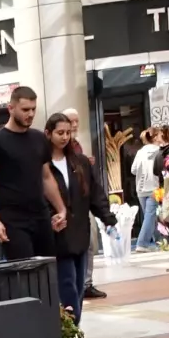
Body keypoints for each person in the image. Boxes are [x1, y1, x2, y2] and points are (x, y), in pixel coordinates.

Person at [43, 113, 116, 325]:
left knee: (78, 283)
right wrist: (50, 218)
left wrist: (107, 218)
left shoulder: (80, 162)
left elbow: (94, 193)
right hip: (57, 236)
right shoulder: (42, 165)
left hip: (79, 232)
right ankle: (70, 329)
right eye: (60, 133)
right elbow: (39, 197)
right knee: (67, 285)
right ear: (48, 133)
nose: (65, 137)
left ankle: (73, 327)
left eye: (68, 132)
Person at [0, 86, 67, 260]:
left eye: (34, 109)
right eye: (25, 109)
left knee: (47, 273)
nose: (31, 114)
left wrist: (61, 209)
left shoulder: (39, 138)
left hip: (41, 215)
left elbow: (46, 177)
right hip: (12, 219)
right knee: (24, 274)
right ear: (11, 108)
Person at [62, 107, 108, 299]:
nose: (74, 125)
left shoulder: (77, 145)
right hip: (66, 204)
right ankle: (77, 284)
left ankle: (85, 283)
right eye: (70, 121)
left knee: (88, 243)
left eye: (76, 121)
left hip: (82, 202)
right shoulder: (59, 148)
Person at [132, 129, 162, 251]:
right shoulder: (159, 151)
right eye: (160, 135)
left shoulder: (140, 152)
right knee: (150, 216)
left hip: (140, 188)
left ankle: (160, 241)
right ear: (155, 138)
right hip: (154, 187)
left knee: (149, 216)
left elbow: (133, 170)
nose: (161, 138)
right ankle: (142, 243)